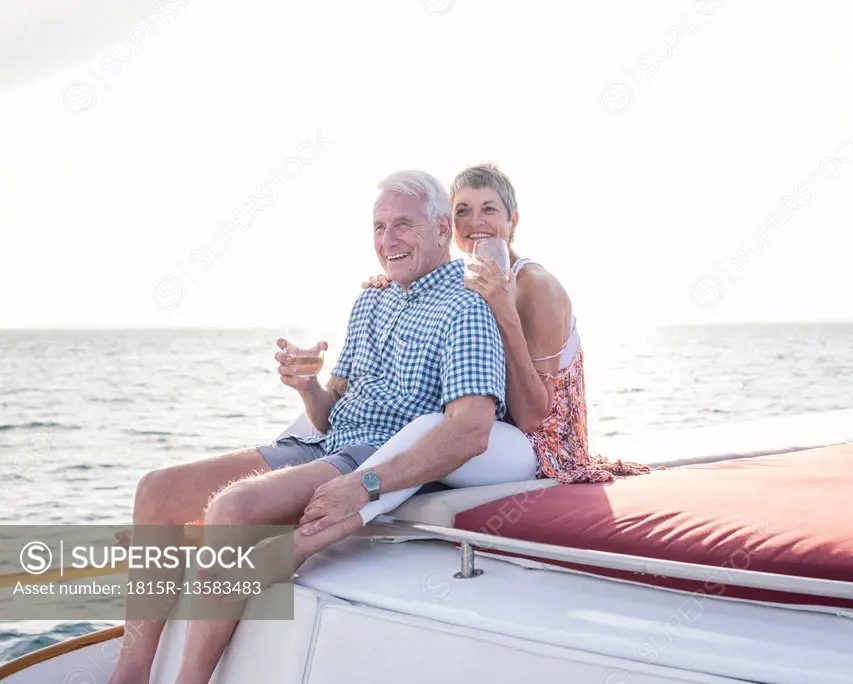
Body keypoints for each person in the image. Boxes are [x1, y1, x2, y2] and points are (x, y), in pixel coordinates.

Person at [108, 169, 536, 684]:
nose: (387, 240)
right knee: (157, 490)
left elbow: (471, 430)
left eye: (403, 224)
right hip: (325, 443)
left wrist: (368, 484)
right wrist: (306, 386)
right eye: (378, 227)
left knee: (233, 507)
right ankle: (127, 676)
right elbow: (331, 415)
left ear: (443, 227)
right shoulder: (370, 301)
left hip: (373, 455)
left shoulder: (468, 304)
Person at [364, 163, 650, 484]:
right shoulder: (458, 282)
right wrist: (392, 284)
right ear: (446, 225)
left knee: (428, 430)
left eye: (489, 209)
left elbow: (531, 416)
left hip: (538, 449)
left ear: (512, 221)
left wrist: (505, 313)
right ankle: (318, 488)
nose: (475, 222)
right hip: (484, 429)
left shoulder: (535, 286)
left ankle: (352, 492)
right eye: (463, 211)